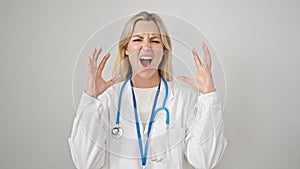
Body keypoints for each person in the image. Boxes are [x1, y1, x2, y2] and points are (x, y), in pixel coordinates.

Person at [68, 11, 227, 169]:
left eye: (155, 41)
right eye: (137, 40)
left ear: (164, 50)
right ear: (126, 49)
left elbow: (205, 161)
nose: (146, 46)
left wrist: (208, 95)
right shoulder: (108, 99)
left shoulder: (184, 98)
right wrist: (90, 98)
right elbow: (85, 163)